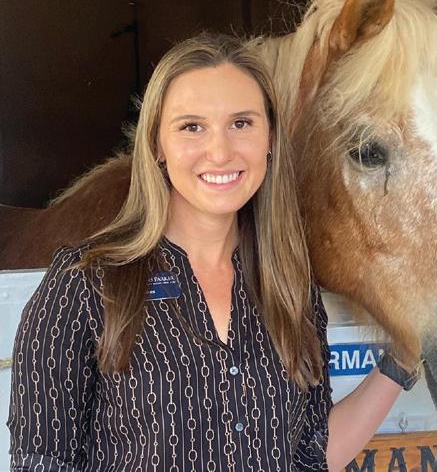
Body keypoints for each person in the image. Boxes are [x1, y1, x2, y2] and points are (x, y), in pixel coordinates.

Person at [8, 32, 416, 472]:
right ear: (157, 145)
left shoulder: (288, 284)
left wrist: (403, 360)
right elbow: (41, 462)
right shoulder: (84, 284)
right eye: (191, 127)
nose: (220, 152)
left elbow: (310, 455)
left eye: (241, 123)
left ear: (270, 138)